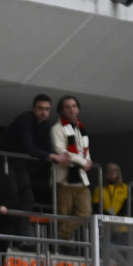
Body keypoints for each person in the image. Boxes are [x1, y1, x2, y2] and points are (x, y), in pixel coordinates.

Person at [0, 94, 61, 208]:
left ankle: (24, 218)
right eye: (40, 108)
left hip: (19, 162)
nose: (44, 112)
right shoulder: (25, 119)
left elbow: (47, 147)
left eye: (47, 109)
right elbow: (29, 147)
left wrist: (60, 156)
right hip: (5, 159)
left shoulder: (46, 124)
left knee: (27, 195)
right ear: (33, 109)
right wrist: (53, 156)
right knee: (12, 192)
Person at [50, 95, 92, 240]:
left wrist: (88, 160)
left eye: (74, 106)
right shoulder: (57, 128)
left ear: (78, 109)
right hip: (64, 179)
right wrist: (82, 161)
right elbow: (61, 151)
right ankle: (62, 243)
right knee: (63, 215)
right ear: (62, 111)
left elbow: (84, 149)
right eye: (67, 107)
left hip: (81, 179)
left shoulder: (80, 127)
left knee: (85, 214)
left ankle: (60, 237)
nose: (71, 109)